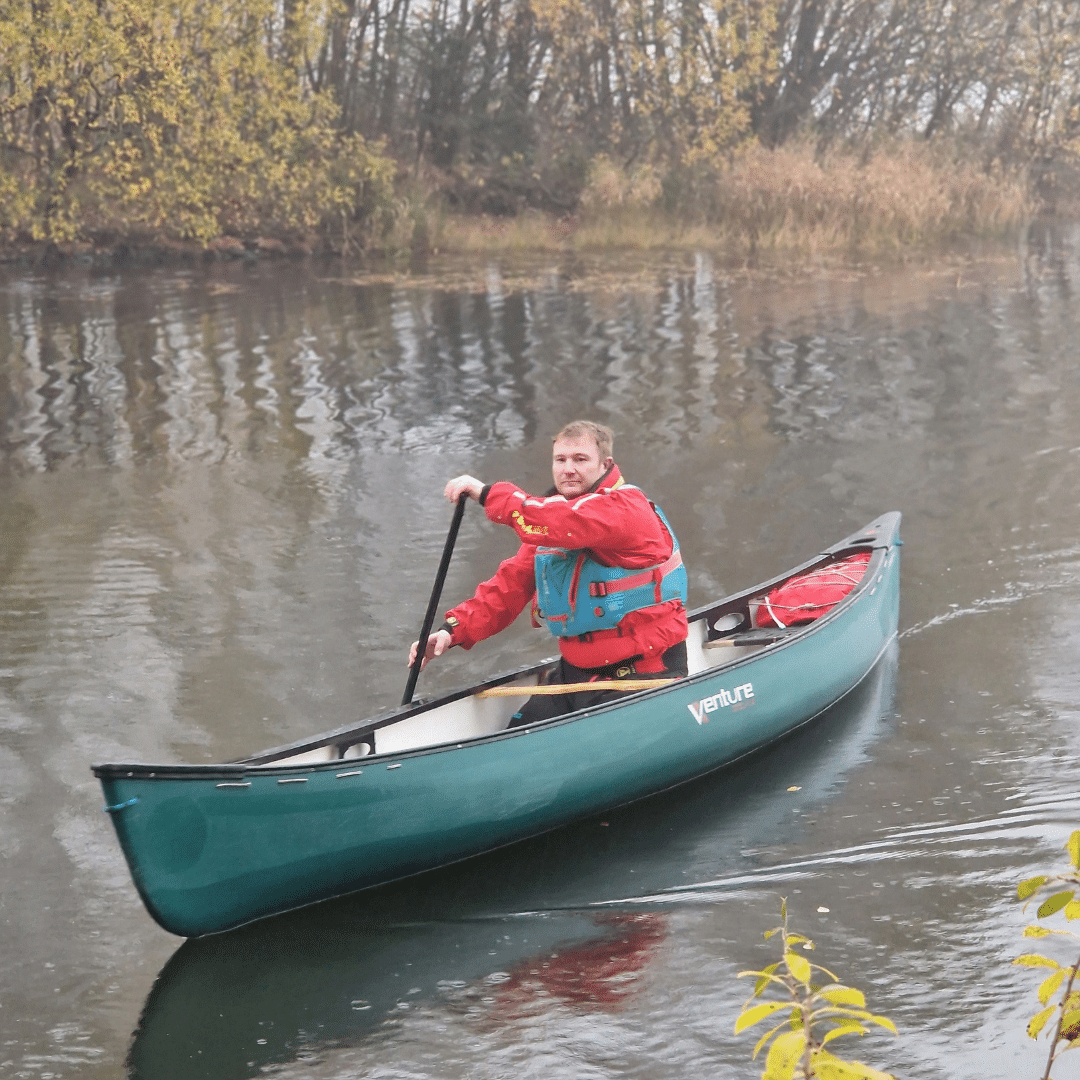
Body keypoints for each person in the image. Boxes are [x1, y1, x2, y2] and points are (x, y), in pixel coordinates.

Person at [408, 420, 689, 726]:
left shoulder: (624, 508)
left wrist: (487, 494)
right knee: (518, 731)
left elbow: (565, 521)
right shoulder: (552, 522)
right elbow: (509, 587)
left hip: (644, 671)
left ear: (605, 465)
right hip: (577, 672)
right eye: (560, 460)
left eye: (580, 459)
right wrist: (451, 631)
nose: (568, 469)